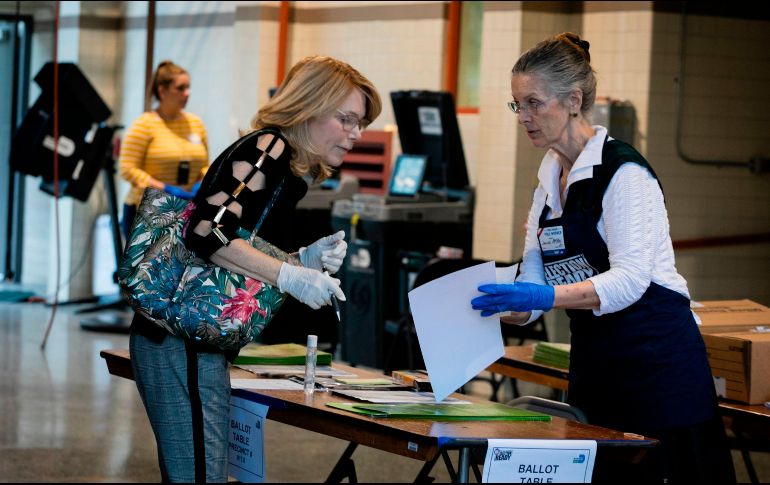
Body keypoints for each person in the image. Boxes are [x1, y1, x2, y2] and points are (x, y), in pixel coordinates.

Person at [470, 33, 735, 483]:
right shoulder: (548, 180)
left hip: (657, 367)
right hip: (596, 365)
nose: (524, 118)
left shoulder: (625, 173)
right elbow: (535, 283)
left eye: (534, 103)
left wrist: (544, 294)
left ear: (573, 100)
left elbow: (630, 280)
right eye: (517, 105)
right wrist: (511, 306)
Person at [129, 55, 381, 483]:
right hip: (179, 340)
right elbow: (208, 233)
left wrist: (302, 260)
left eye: (360, 123)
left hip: (192, 341)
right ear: (310, 105)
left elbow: (239, 247)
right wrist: (290, 275)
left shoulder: (286, 163)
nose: (356, 134)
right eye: (347, 119)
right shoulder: (270, 147)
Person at [118, 60, 209, 239]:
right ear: (162, 91)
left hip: (185, 208)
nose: (187, 93)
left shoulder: (196, 124)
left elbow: (205, 165)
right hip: (148, 210)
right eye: (180, 88)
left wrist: (203, 183)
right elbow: (127, 168)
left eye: (188, 87)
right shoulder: (144, 125)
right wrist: (164, 189)